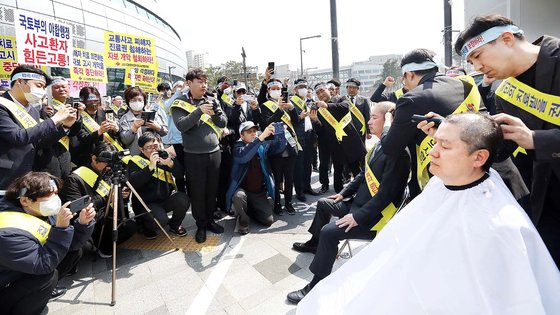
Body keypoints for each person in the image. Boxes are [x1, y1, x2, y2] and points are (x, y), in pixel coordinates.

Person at [298, 113, 560, 314]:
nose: (432, 152)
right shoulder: (441, 183)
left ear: (479, 158)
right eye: (434, 142)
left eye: (444, 146)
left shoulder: (501, 228)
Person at [455, 14, 560, 268]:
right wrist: (458, 136)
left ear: (506, 38)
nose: (476, 68)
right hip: (548, 202)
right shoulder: (506, 92)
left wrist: (537, 139)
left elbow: (530, 139)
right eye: (470, 62)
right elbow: (504, 149)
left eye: (478, 56)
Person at [288, 102, 410, 304]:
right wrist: (343, 193)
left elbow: (386, 195)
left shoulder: (397, 153)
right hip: (356, 204)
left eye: (374, 118)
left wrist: (357, 217)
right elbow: (364, 174)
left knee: (329, 231)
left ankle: (316, 285)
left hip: (371, 218)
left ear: (389, 120)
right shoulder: (380, 145)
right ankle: (314, 243)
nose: (368, 122)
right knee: (324, 203)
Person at [380, 48, 484, 198]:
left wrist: (387, 124)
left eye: (404, 79)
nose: (406, 85)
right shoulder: (466, 85)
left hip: (446, 184)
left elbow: (390, 148)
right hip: (481, 170)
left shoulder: (411, 98)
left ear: (410, 74)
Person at [0, 172, 96, 314]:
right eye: (48, 197)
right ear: (25, 200)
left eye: (56, 193)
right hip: (5, 284)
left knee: (74, 252)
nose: (55, 199)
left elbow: (71, 245)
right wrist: (61, 228)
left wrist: (83, 223)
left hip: (22, 269)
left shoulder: (38, 210)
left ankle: (38, 296)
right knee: (47, 278)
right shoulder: (7, 231)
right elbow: (42, 265)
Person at [171, 68, 227, 243]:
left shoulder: (211, 99)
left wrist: (217, 110)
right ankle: (201, 225)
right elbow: (182, 125)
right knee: (197, 192)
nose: (204, 85)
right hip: (193, 156)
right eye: (200, 82)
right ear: (189, 83)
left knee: (212, 190)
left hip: (214, 153)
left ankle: (210, 220)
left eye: (205, 82)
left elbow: (223, 122)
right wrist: (199, 111)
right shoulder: (179, 103)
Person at [0, 65, 77, 192]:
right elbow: (19, 137)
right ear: (19, 82)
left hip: (29, 175)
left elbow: (38, 141)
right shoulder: (3, 106)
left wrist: (64, 126)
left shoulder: (32, 110)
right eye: (39, 85)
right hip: (7, 177)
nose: (41, 91)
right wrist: (55, 119)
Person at [61, 142, 134, 258]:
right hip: (91, 220)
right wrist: (107, 198)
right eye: (106, 163)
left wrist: (122, 194)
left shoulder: (109, 172)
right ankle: (102, 246)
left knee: (130, 226)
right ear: (94, 159)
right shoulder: (75, 179)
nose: (109, 166)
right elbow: (76, 208)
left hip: (109, 214)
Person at [226, 121, 286, 235]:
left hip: (258, 192)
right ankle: (243, 221)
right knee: (238, 196)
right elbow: (244, 156)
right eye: (249, 132)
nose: (253, 134)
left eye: (254, 131)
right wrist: (261, 137)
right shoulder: (237, 148)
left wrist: (280, 133)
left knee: (268, 221)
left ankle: (250, 209)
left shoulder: (262, 145)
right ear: (241, 136)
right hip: (243, 190)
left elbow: (279, 147)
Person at [127, 132, 189, 239]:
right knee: (161, 220)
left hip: (165, 198)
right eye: (149, 147)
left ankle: (174, 225)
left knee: (183, 199)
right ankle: (146, 226)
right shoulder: (135, 161)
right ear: (141, 149)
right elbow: (134, 182)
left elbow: (180, 175)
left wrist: (170, 164)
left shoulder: (163, 155)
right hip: (146, 203)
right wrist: (150, 167)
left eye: (155, 146)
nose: (154, 150)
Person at [310, 82, 365, 193]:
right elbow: (320, 131)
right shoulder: (317, 109)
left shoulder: (340, 99)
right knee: (338, 171)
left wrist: (327, 106)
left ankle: (362, 192)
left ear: (328, 90)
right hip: (334, 145)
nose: (321, 94)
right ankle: (340, 194)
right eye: (318, 93)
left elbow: (346, 107)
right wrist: (315, 120)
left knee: (356, 169)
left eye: (322, 90)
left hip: (349, 141)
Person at [254, 78, 299, 215]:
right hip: (275, 148)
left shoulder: (287, 104)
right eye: (273, 89)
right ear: (268, 91)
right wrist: (279, 109)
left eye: (278, 88)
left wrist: (291, 108)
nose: (276, 91)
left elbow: (296, 122)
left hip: (290, 146)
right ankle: (278, 203)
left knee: (290, 177)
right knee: (277, 177)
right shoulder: (265, 105)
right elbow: (265, 123)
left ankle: (289, 202)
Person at [35, 77, 83, 179]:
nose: (61, 89)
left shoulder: (71, 106)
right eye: (57, 87)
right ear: (50, 91)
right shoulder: (46, 107)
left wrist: (78, 116)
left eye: (63, 87)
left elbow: (73, 132)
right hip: (49, 154)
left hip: (65, 153)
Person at [70, 86, 120, 167]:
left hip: (105, 158)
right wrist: (99, 131)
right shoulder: (78, 116)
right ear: (83, 101)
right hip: (85, 159)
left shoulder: (106, 113)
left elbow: (114, 135)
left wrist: (116, 130)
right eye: (90, 101)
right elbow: (81, 138)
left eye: (96, 100)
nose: (93, 103)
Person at [118, 86, 167, 156]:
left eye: (140, 100)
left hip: (155, 155)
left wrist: (157, 127)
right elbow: (125, 140)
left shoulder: (153, 114)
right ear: (128, 102)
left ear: (144, 101)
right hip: (135, 157)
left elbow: (165, 132)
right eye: (133, 100)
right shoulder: (125, 118)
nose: (137, 102)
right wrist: (133, 129)